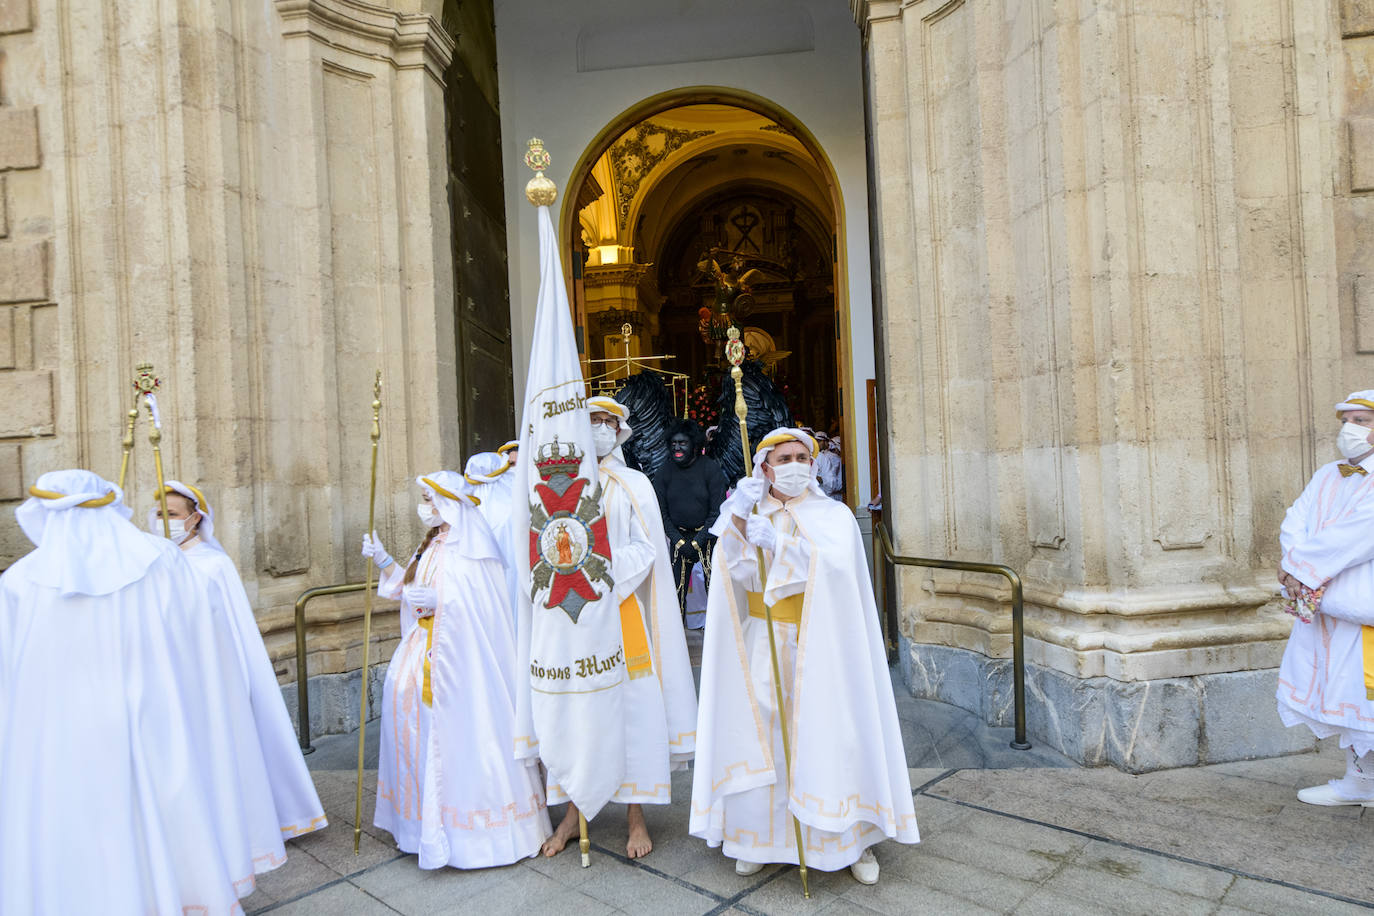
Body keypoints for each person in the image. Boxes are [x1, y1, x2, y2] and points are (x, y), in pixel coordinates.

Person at [1, 470, 286, 915]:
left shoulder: (21, 582)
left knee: (88, 830)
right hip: (149, 722)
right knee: (159, 818)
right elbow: (203, 645)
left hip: (65, 738)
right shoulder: (160, 561)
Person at [690, 428, 918, 885]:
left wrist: (783, 546)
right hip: (764, 636)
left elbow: (837, 572)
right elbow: (734, 573)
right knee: (765, 734)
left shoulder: (833, 516)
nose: (796, 464)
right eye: (784, 458)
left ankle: (851, 840)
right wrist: (736, 518)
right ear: (765, 467)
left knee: (832, 732)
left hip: (822, 643)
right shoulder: (752, 512)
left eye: (802, 456)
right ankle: (760, 838)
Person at [360, 471, 550, 867]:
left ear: (448, 503)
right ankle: (419, 827)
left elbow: (479, 611)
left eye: (430, 498)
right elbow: (407, 588)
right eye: (425, 498)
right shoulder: (430, 545)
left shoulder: (472, 550)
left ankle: (473, 834)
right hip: (422, 651)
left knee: (460, 739)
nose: (425, 506)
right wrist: (384, 560)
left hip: (462, 664)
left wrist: (437, 603)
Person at [540, 395, 697, 860]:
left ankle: (634, 815)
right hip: (574, 618)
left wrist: (598, 570)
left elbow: (646, 548)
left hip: (621, 610)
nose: (601, 428)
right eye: (593, 421)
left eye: (609, 422)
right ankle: (574, 814)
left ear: (620, 431)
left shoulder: (634, 484)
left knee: (630, 709)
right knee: (578, 711)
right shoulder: (558, 486)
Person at [149, 480, 327, 840]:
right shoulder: (154, 563)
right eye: (157, 515)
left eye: (171, 515)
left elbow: (232, 632)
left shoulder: (214, 566)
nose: (162, 523)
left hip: (209, 675)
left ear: (195, 518)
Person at [1276, 390, 1374, 806]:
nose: (1351, 429)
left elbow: (1357, 535)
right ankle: (1362, 780)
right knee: (1343, 694)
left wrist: (1301, 568)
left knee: (1364, 692)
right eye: (1348, 420)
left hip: (1360, 601)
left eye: (1363, 421)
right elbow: (1295, 519)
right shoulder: (1327, 473)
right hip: (1325, 601)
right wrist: (1294, 562)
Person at [652, 418, 727, 627]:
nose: (677, 447)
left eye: (682, 443)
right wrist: (679, 541)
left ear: (694, 444)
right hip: (678, 539)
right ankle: (677, 640)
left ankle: (718, 635)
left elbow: (718, 511)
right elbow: (660, 512)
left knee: (716, 590)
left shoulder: (710, 469)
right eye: (673, 443)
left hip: (708, 538)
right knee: (676, 592)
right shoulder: (663, 471)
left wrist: (698, 541)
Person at [813, 431, 844, 501]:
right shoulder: (821, 455)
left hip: (834, 495)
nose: (816, 444)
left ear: (826, 441)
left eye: (819, 441)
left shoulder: (829, 456)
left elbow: (831, 479)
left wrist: (818, 478)